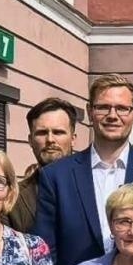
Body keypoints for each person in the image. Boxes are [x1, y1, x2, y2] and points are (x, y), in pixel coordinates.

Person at [35, 74, 133, 265]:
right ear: (90, 112)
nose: (112, 115)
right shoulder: (56, 176)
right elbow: (45, 253)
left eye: (122, 108)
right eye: (103, 107)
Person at [14, 97, 78, 233]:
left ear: (73, 139)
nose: (50, 140)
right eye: (42, 133)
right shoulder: (14, 198)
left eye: (58, 132)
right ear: (30, 140)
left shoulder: (94, 186)